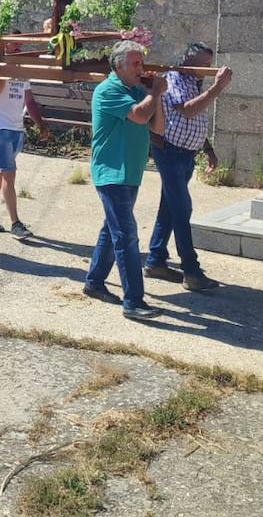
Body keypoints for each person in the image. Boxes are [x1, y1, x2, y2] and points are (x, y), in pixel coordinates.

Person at [83, 40, 166, 321]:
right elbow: (141, 116)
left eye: (140, 62)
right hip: (111, 172)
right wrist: (153, 93)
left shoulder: (135, 90)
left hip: (129, 172)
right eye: (135, 63)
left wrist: (157, 96)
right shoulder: (108, 90)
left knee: (112, 229)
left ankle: (94, 282)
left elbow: (158, 125)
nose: (140, 67)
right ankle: (133, 301)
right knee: (126, 236)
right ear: (118, 65)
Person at [145, 43, 231, 292]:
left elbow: (195, 121)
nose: (206, 69)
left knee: (170, 208)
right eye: (202, 64)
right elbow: (188, 110)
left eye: (208, 64)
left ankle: (155, 260)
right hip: (170, 151)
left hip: (186, 154)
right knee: (182, 208)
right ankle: (191, 271)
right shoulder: (174, 78)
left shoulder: (194, 83)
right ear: (187, 60)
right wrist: (218, 87)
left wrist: (208, 149)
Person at [0, 40, 51, 238]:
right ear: (4, 47)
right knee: (9, 174)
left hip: (16, 127)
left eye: (20, 45)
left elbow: (28, 100)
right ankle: (15, 223)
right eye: (15, 45)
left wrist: (41, 125)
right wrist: (10, 69)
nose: (19, 48)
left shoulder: (22, 69)